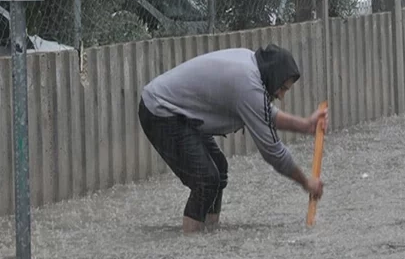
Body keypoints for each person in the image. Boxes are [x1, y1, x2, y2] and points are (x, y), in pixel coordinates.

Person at [137, 43, 328, 234]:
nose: (281, 95)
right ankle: (190, 248)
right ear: (274, 76)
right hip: (160, 111)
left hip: (177, 112)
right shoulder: (248, 85)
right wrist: (306, 183)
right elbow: (273, 152)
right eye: (282, 88)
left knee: (218, 169)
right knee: (205, 180)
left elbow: (264, 112)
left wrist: (304, 125)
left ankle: (210, 233)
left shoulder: (251, 67)